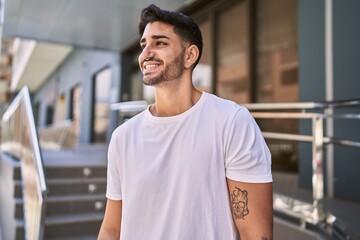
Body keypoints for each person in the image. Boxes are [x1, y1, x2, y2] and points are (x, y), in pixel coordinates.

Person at [98, 4, 273, 240]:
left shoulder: (231, 122)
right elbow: (112, 229)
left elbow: (256, 234)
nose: (146, 53)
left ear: (189, 55)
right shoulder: (123, 137)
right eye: (143, 45)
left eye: (160, 43)